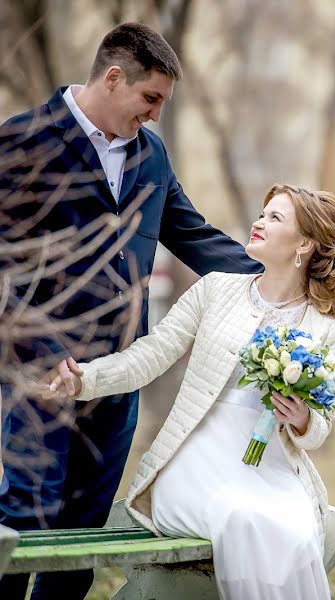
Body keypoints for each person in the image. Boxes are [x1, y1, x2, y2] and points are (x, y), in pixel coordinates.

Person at [0, 23, 261, 598]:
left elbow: (191, 234)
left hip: (120, 377)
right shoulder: (22, 142)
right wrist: (45, 353)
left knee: (85, 533)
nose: (156, 115)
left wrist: (278, 277)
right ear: (114, 77)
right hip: (42, 376)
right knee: (26, 521)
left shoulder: (152, 154)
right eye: (151, 99)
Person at [52, 184, 335, 599]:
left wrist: (303, 418)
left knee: (297, 529)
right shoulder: (217, 288)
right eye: (262, 212)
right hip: (194, 457)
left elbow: (322, 425)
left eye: (275, 218)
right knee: (239, 518)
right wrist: (86, 378)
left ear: (304, 242)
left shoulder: (326, 327)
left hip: (271, 467)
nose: (258, 223)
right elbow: (151, 354)